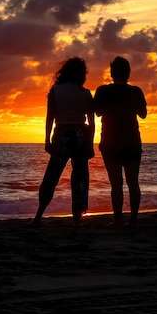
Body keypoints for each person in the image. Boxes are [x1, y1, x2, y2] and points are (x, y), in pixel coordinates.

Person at [32, 57, 95, 227]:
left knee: (52, 175)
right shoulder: (86, 93)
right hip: (81, 135)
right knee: (80, 176)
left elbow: (50, 118)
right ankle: (77, 217)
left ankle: (39, 215)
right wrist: (90, 143)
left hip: (62, 135)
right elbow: (91, 122)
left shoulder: (55, 91)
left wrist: (46, 139)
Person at [94, 56, 147, 227]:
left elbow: (97, 112)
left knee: (116, 184)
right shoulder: (135, 91)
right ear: (129, 73)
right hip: (131, 141)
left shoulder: (103, 91)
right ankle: (133, 220)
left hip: (111, 142)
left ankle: (117, 219)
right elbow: (143, 114)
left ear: (111, 73)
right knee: (133, 183)